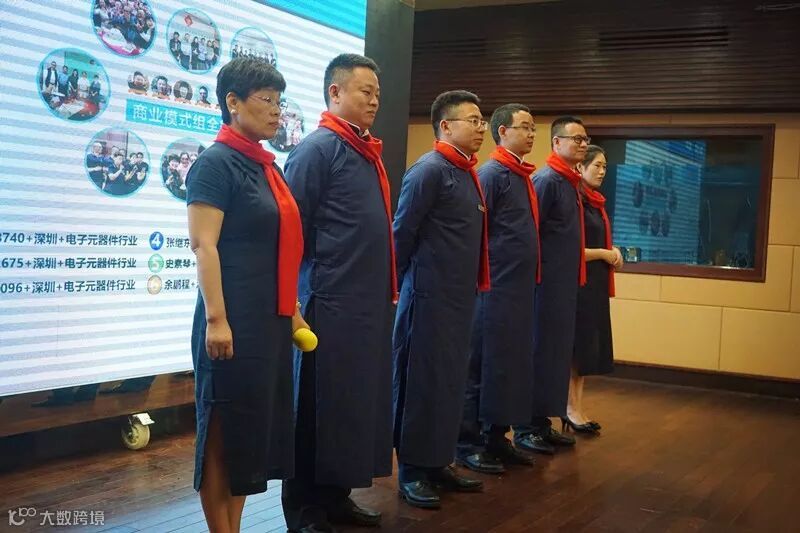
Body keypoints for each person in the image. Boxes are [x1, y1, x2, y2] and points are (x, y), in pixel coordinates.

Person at [186, 56, 305, 533]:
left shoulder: (266, 167)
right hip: (230, 321)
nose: (277, 111)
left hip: (266, 323)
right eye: (267, 100)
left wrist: (292, 309)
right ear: (232, 102)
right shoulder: (215, 164)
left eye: (280, 101)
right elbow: (204, 246)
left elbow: (278, 249)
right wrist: (217, 319)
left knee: (249, 437)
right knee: (222, 433)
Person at [281, 53, 393, 532]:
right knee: (315, 408)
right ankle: (304, 509)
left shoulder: (364, 151)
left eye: (377, 94)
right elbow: (290, 231)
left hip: (364, 306)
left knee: (349, 407)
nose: (374, 101)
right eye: (366, 91)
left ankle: (336, 496)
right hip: (326, 301)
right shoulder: (317, 149)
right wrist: (293, 302)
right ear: (335, 92)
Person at [392, 90, 490, 509]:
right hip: (427, 297)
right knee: (421, 385)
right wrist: (397, 289)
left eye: (483, 120)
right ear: (446, 126)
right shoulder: (429, 170)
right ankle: (413, 471)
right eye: (473, 120)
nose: (482, 127)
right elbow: (401, 234)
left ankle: (438, 461)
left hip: (459, 300)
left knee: (449, 384)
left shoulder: (465, 171)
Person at [456, 104, 540, 475]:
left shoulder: (520, 174)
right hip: (494, 290)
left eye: (533, 128)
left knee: (508, 367)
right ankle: (468, 443)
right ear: (502, 132)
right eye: (525, 127)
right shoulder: (491, 174)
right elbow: (477, 232)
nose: (532, 134)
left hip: (518, 292)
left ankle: (496, 437)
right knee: (481, 368)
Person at [512, 116, 591, 455]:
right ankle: (526, 426)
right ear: (556, 143)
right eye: (576, 139)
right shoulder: (546, 180)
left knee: (556, 356)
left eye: (586, 139)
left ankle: (543, 422)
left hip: (564, 286)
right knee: (539, 354)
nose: (583, 144)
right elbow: (532, 232)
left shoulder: (570, 181)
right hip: (544, 286)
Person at [564, 145, 622, 433]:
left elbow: (598, 242)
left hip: (595, 284)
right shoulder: (575, 200)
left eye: (604, 166)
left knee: (586, 350)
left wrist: (613, 251)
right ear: (580, 167)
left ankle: (576, 406)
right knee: (576, 350)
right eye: (597, 165)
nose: (602, 171)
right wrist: (603, 253)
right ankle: (570, 408)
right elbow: (569, 249)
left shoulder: (596, 202)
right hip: (578, 284)